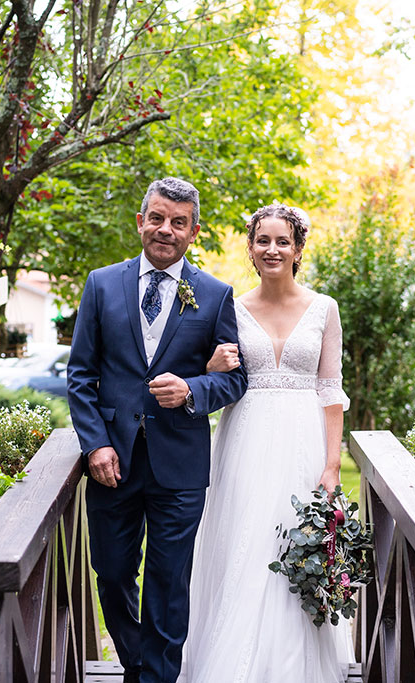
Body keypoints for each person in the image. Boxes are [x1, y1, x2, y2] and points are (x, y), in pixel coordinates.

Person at [67, 177, 248, 683]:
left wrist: (193, 390)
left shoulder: (215, 295)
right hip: (114, 462)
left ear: (194, 231)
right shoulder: (102, 284)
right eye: (157, 218)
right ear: (141, 219)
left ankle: (156, 679)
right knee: (113, 571)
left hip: (180, 464)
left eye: (178, 222)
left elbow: (236, 380)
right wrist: (95, 444)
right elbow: (81, 374)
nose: (165, 230)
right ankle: (136, 663)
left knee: (168, 581)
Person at [178, 203, 351, 683]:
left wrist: (332, 464)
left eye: (282, 241)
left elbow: (330, 389)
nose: (272, 249)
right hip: (245, 436)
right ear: (251, 249)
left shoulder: (324, 308)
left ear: (298, 249)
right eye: (263, 241)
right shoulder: (228, 307)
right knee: (244, 542)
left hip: (303, 438)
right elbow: (212, 375)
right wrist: (210, 368)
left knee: (298, 543)